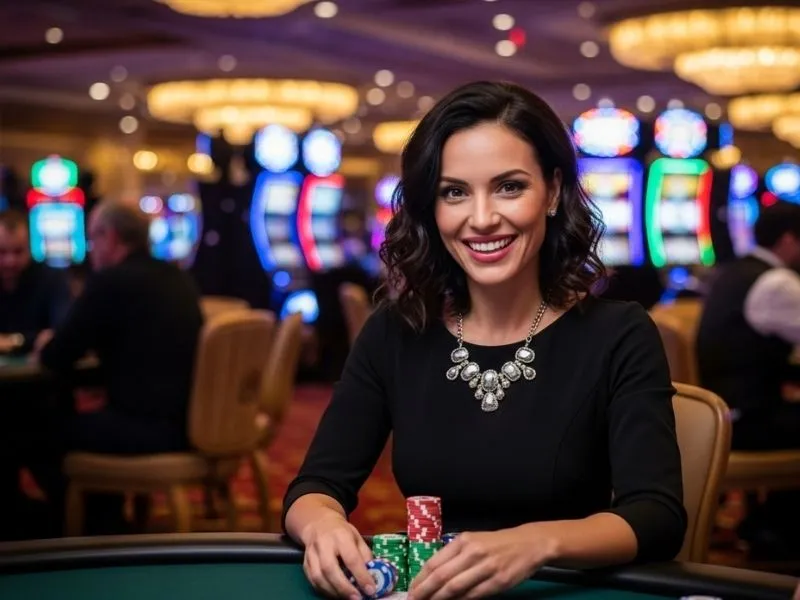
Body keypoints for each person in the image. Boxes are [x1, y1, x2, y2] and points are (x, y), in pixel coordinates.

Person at [282, 81, 687, 600]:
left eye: (509, 187)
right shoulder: (396, 329)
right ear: (432, 207)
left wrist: (535, 543)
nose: (481, 219)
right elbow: (315, 486)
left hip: (562, 591)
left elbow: (655, 515)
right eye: (454, 192)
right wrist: (322, 526)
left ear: (554, 192)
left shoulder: (619, 333)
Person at [30, 200, 204, 535]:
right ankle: (104, 521)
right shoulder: (177, 277)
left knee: (31, 430)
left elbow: (56, 356)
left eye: (93, 239)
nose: (91, 250)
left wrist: (45, 342)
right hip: (186, 422)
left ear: (109, 237)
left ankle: (84, 526)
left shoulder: (110, 281)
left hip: (147, 429)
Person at [696, 201, 800, 558]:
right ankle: (779, 529)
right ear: (788, 240)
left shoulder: (737, 271)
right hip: (748, 420)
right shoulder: (776, 282)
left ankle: (772, 525)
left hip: (727, 412)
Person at [0, 209, 71, 355]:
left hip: (39, 375)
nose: (10, 261)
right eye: (2, 252)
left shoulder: (52, 279)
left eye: (18, 251)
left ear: (30, 249)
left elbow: (62, 331)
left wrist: (14, 340)